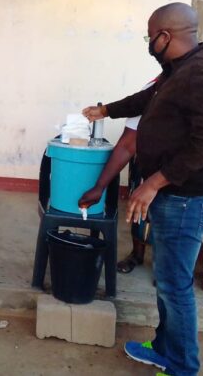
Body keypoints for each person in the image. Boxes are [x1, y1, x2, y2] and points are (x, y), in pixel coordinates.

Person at [83, 2, 203, 376]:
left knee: (176, 285)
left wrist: (152, 183)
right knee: (167, 280)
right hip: (176, 197)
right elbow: (145, 99)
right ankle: (165, 347)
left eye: (151, 38)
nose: (149, 44)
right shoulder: (178, 70)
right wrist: (106, 110)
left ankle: (182, 365)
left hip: (189, 199)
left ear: (165, 36)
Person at [78, 77, 161, 274]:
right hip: (146, 161)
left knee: (169, 215)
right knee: (138, 209)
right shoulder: (154, 87)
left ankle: (162, 263)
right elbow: (128, 142)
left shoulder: (197, 83)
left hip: (179, 170)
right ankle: (137, 254)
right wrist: (100, 186)